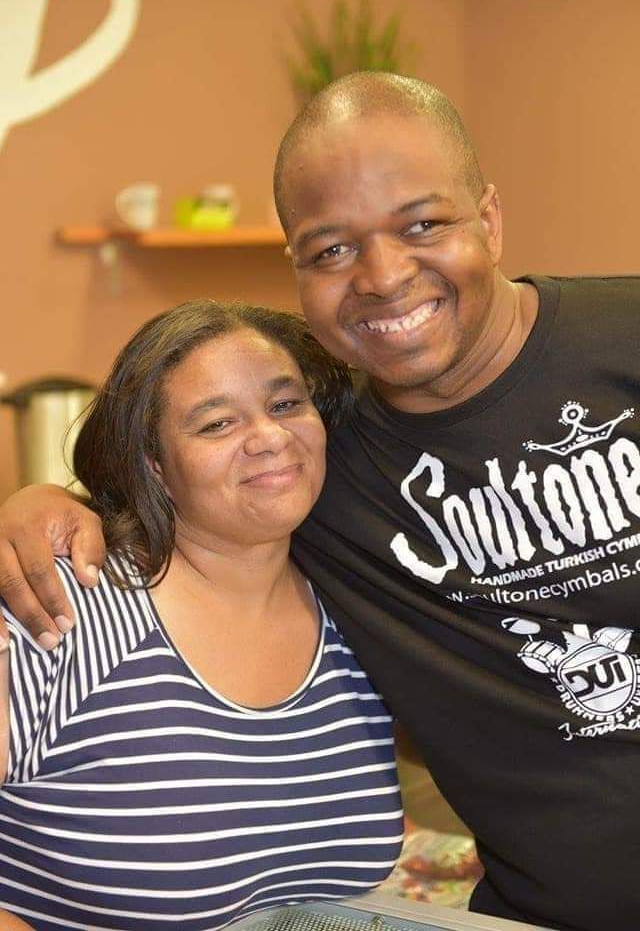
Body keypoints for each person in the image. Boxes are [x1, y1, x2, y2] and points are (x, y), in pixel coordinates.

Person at [0, 71, 638, 930]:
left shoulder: (621, 341)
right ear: (297, 264)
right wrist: (38, 504)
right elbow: (201, 488)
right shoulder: (336, 469)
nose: (381, 276)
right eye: (333, 249)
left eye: (422, 223)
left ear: (488, 219)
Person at [0, 300, 403, 930]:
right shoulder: (61, 602)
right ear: (155, 466)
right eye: (216, 424)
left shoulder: (353, 608)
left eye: (285, 404)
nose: (270, 436)